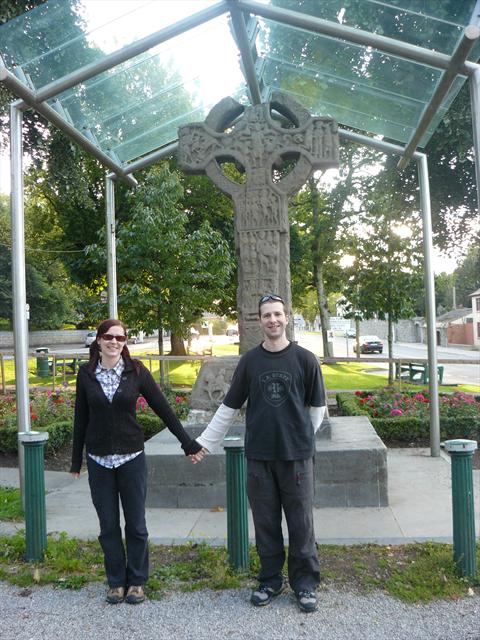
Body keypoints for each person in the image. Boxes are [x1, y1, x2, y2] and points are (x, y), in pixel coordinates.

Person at [190, 294, 326, 613]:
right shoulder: (250, 362)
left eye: (277, 314)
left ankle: (305, 584)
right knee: (265, 524)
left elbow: (317, 408)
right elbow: (228, 408)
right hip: (259, 458)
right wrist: (204, 443)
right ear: (260, 321)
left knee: (301, 524)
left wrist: (301, 437)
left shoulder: (306, 360)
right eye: (267, 315)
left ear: (286, 317)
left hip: (296, 459)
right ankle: (270, 580)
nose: (273, 320)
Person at [71, 318, 201, 605]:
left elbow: (163, 409)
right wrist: (74, 460)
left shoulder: (136, 371)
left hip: (131, 458)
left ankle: (137, 581)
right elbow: (81, 417)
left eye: (120, 338)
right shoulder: (86, 373)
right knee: (107, 525)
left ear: (125, 342)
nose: (114, 342)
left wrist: (187, 443)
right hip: (99, 460)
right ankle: (116, 582)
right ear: (99, 340)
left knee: (136, 524)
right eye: (108, 336)